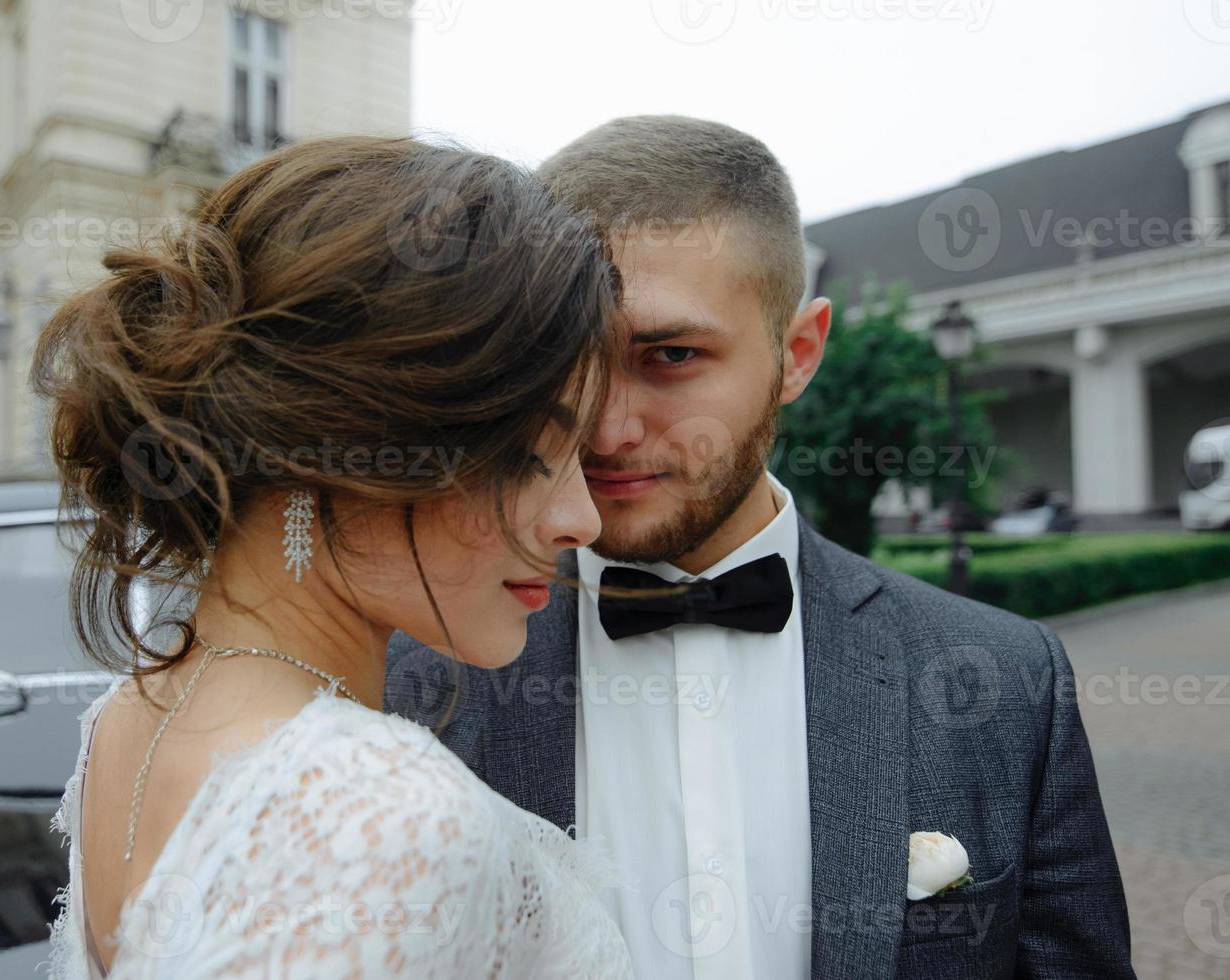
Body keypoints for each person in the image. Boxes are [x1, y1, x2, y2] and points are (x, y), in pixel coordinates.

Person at [386, 116, 1135, 979]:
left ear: (797, 354)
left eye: (669, 354)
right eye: (565, 358)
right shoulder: (414, 680)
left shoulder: (1007, 681)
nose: (605, 428)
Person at [34, 135, 635, 978]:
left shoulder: (129, 718)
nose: (582, 520)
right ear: (340, 444)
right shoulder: (386, 817)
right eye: (527, 455)